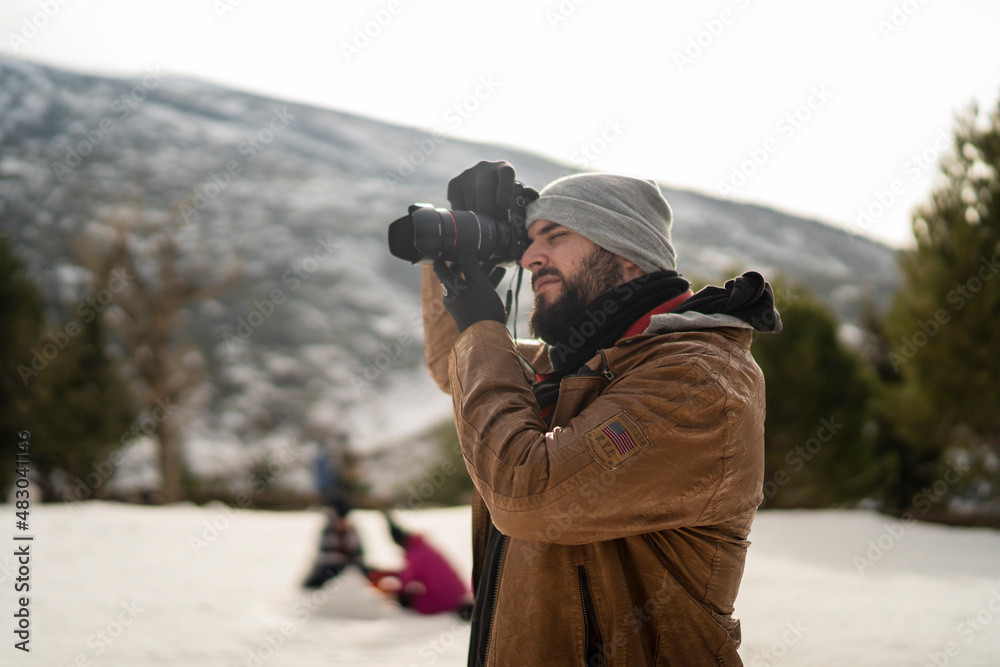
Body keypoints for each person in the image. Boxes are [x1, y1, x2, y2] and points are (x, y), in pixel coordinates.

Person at [422, 161, 782, 666]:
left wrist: (484, 326)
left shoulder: (697, 381)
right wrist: (457, 261)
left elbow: (528, 491)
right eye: (527, 240)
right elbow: (455, 367)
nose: (529, 257)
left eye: (555, 234)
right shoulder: (577, 362)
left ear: (629, 255)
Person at [365, 512, 473, 618]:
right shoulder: (422, 547)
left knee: (405, 599)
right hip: (456, 595)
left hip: (445, 601)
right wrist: (388, 573)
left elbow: (406, 581)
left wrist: (387, 586)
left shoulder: (415, 554)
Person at [301, 493, 364, 589]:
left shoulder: (352, 531)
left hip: (351, 566)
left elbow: (359, 554)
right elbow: (325, 554)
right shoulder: (328, 531)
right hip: (331, 567)